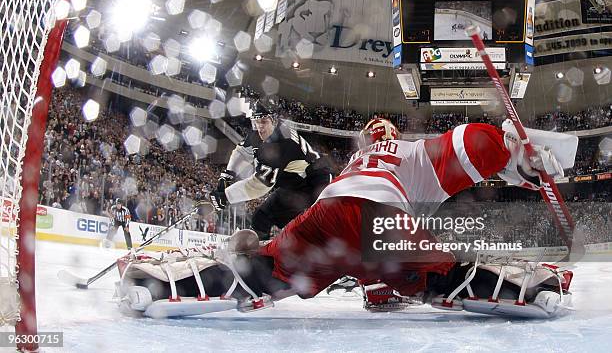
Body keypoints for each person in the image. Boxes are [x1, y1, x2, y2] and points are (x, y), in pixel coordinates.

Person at [117, 119, 573, 318]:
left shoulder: (353, 164)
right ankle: (528, 289)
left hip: (326, 221)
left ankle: (161, 282)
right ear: (394, 135)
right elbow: (470, 146)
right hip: (380, 227)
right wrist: (512, 149)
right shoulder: (410, 152)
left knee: (266, 271)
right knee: (442, 274)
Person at [209, 100, 333, 239]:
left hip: (315, 183)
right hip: (294, 184)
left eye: (264, 121)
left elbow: (260, 185)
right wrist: (227, 175)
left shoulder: (280, 143)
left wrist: (226, 196)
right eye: (256, 121)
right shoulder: (259, 132)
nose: (260, 127)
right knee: (261, 218)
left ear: (274, 121)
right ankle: (261, 258)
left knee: (311, 226)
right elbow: (242, 151)